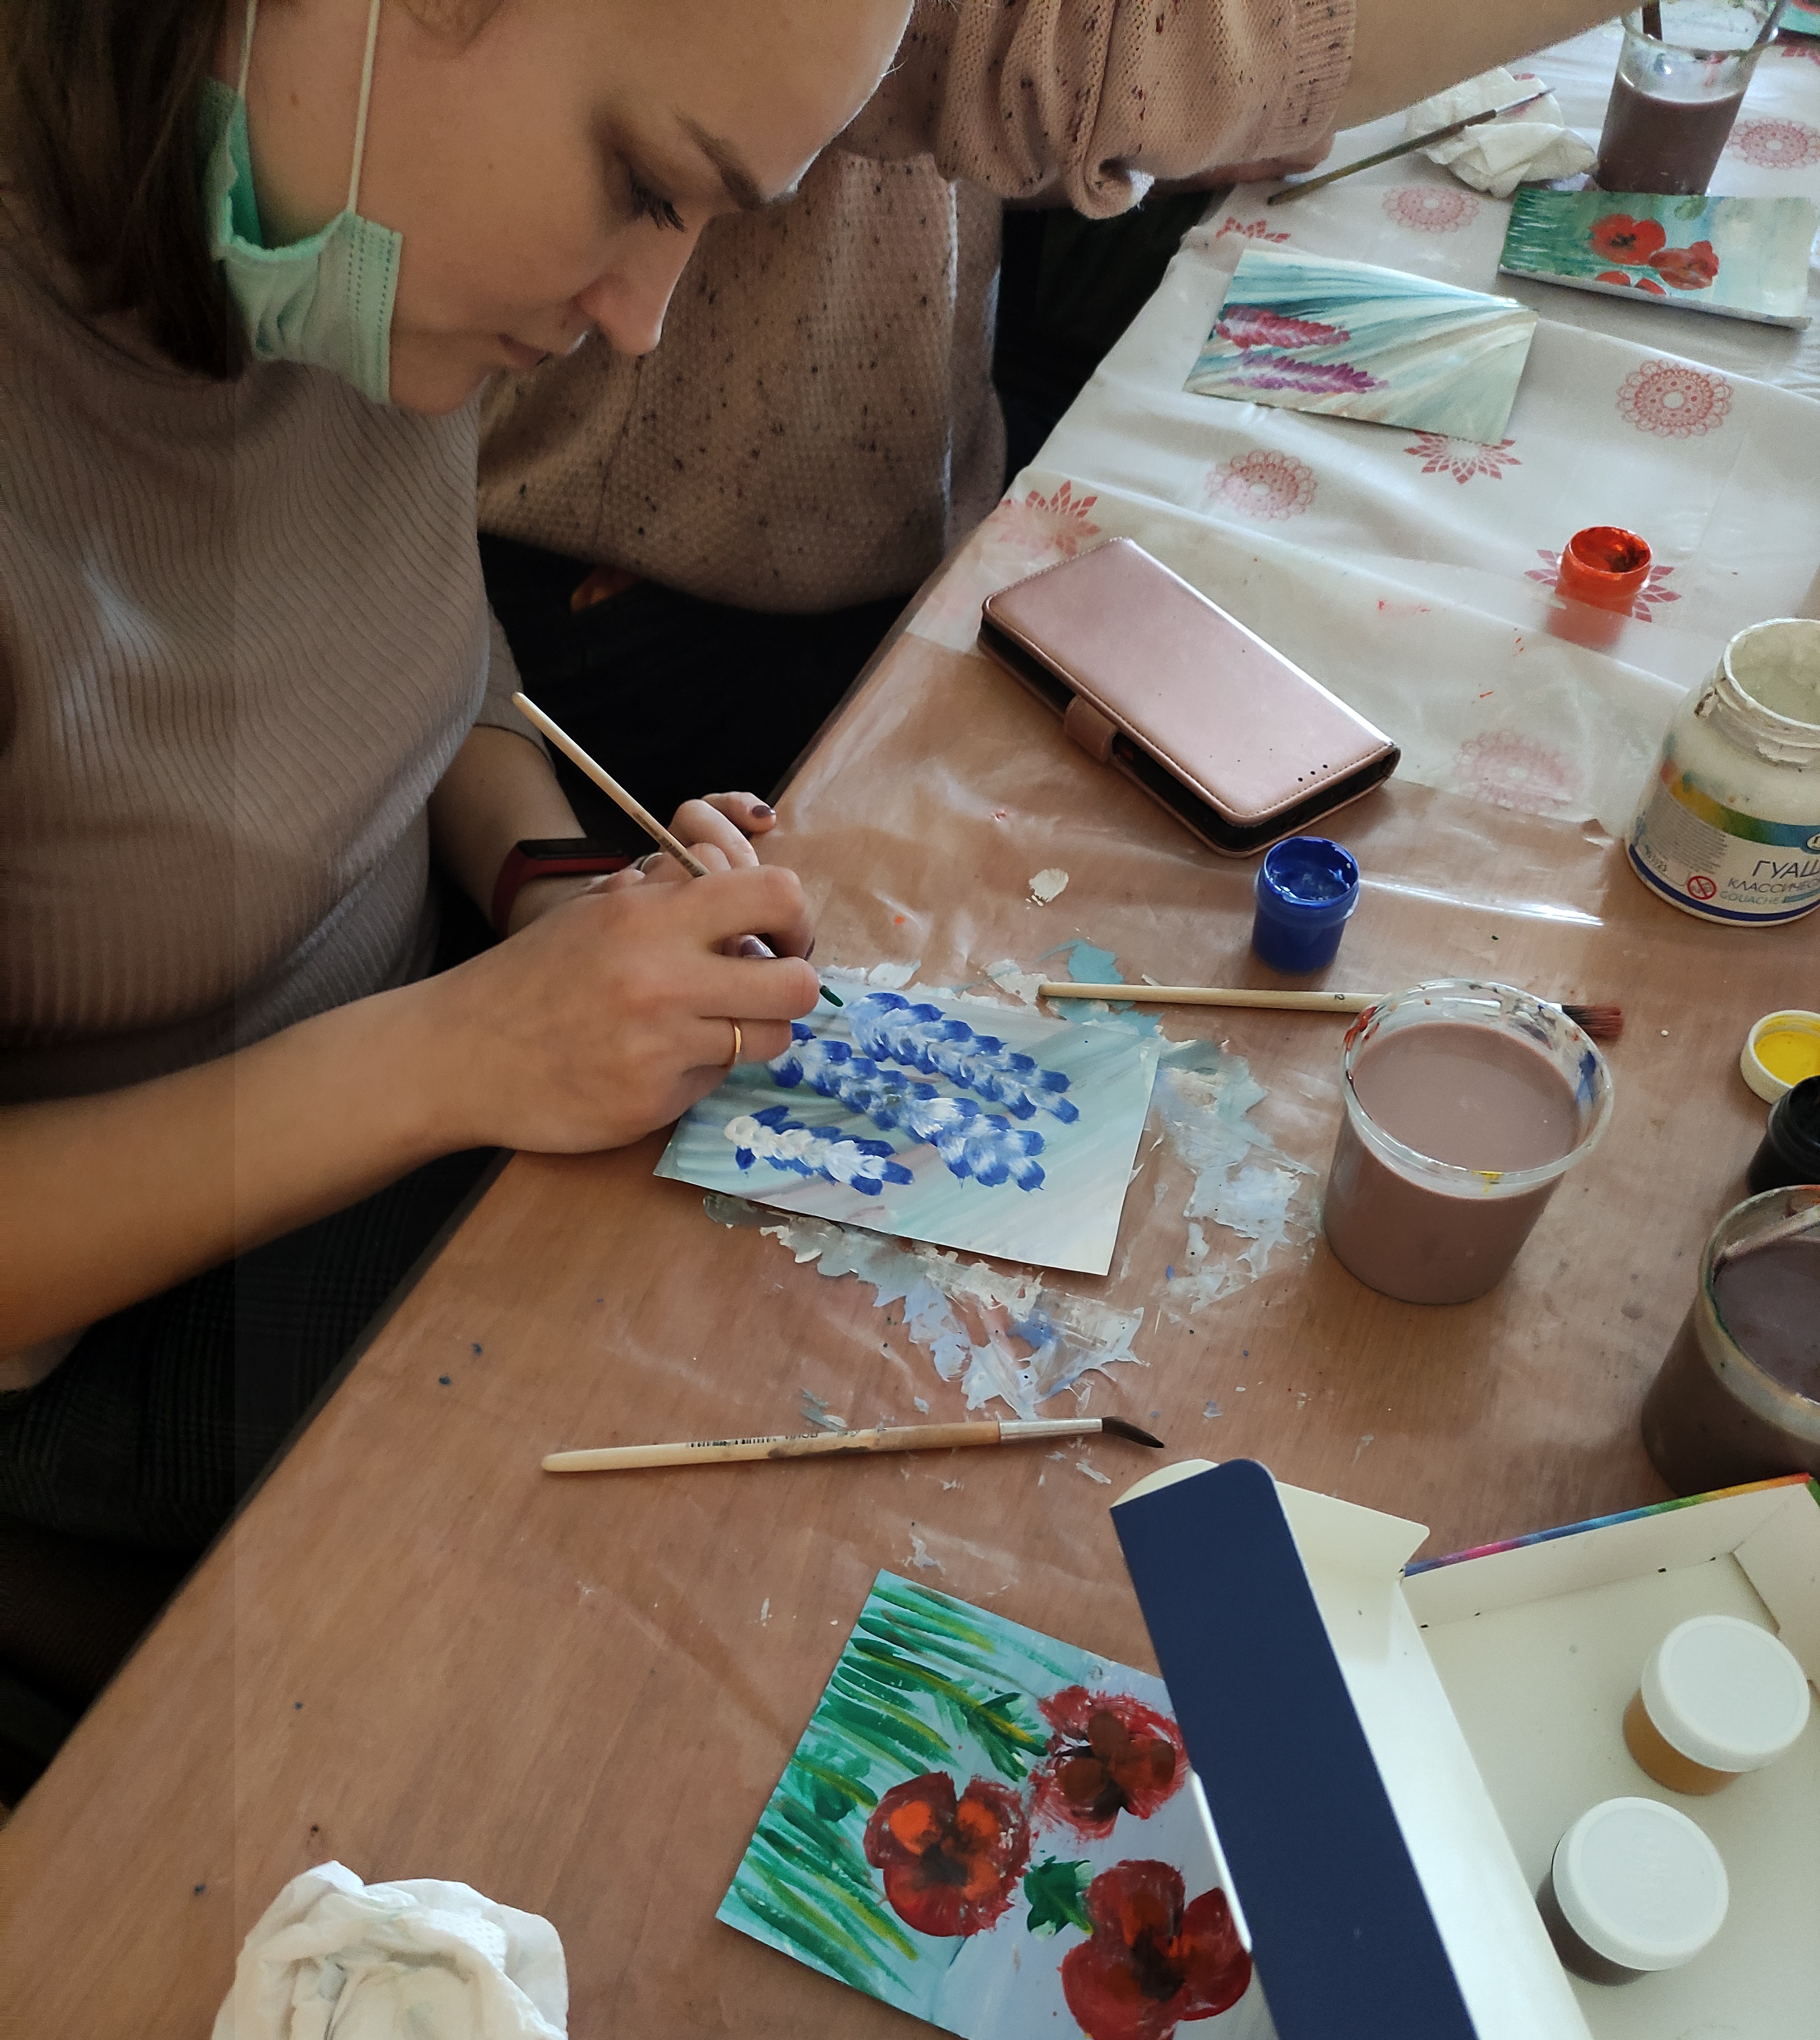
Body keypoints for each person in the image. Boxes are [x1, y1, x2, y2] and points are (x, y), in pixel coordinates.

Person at [0, 0, 913, 1557]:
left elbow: (420, 642)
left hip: (407, 1084)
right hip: (101, 1325)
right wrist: (466, 1054)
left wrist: (555, 892)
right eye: (643, 183)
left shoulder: (334, 239)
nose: (644, 318)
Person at [476, 0, 1632, 839]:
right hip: (654, 587)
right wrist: (1128, 104)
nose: (636, 312)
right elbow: (1068, 52)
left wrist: (1103, 142)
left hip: (912, 492)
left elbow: (950, 104)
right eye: (649, 185)